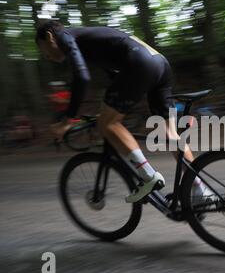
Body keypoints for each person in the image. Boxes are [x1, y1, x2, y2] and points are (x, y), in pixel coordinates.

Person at [35, 20, 212, 203]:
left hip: (140, 63)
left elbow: (82, 77)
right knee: (169, 132)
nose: (47, 57)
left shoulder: (66, 37)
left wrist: (67, 120)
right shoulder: (86, 39)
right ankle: (200, 189)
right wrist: (106, 111)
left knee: (108, 124)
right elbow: (114, 75)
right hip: (159, 63)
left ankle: (148, 176)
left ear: (49, 37)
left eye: (44, 51)